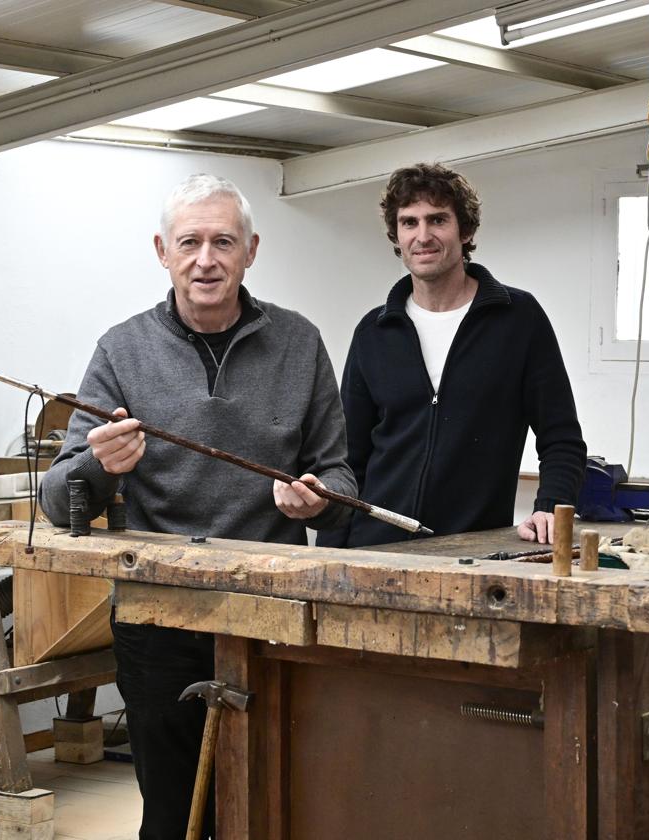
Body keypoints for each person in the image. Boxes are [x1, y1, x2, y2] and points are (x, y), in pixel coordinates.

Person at [39, 173, 354, 839]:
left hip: (270, 611)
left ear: (251, 249)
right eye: (190, 242)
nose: (206, 259)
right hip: (158, 616)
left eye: (222, 242)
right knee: (174, 812)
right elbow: (55, 496)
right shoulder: (121, 349)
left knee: (274, 798)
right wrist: (99, 465)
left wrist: (315, 502)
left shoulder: (299, 344)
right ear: (162, 250)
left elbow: (340, 482)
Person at [317, 162, 585, 548]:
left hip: (470, 549)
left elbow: (561, 437)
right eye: (409, 223)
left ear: (466, 230)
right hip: (376, 549)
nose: (422, 236)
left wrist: (552, 506)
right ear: (397, 235)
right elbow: (349, 459)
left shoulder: (518, 320)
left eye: (437, 219)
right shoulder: (374, 332)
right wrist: (331, 557)